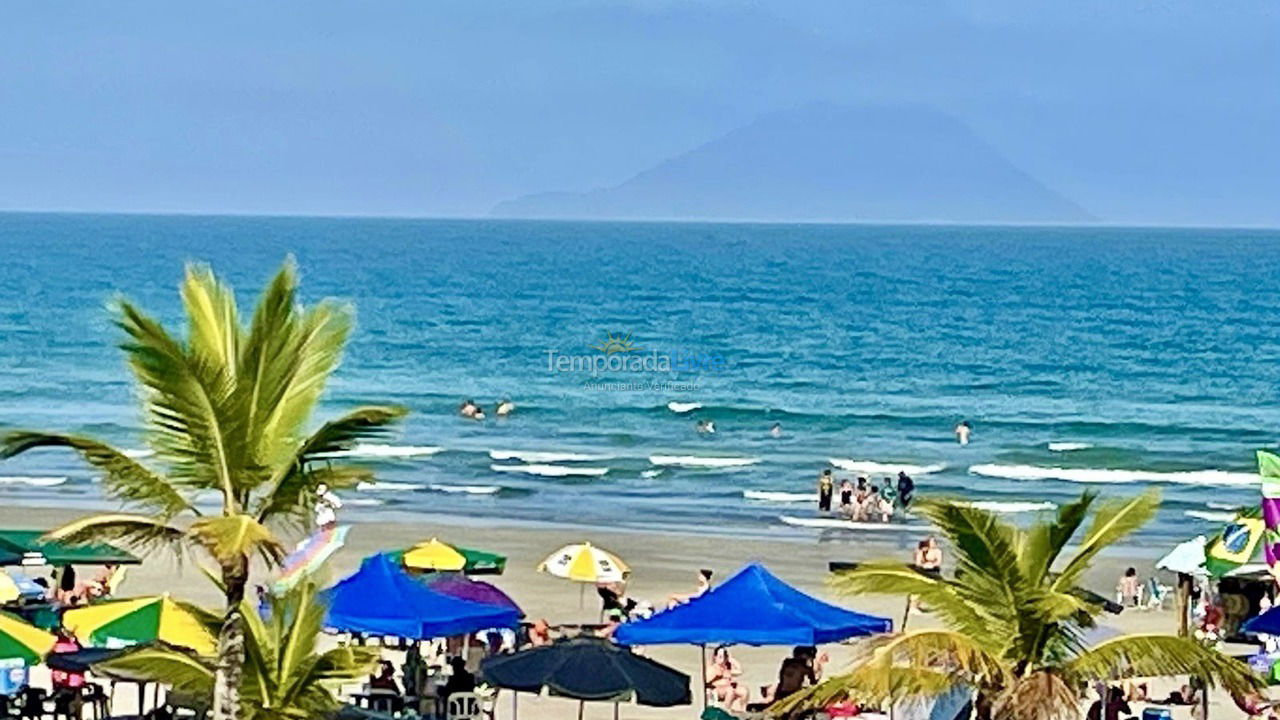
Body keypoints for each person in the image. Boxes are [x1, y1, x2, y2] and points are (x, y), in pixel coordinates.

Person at [706, 646, 749, 712]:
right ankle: (727, 710)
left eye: (724, 657)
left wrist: (731, 659)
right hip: (717, 689)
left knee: (744, 690)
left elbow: (740, 671)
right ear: (715, 657)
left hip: (729, 687)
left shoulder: (726, 668)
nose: (722, 659)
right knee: (730, 690)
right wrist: (720, 678)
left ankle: (742, 709)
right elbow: (707, 683)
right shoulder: (712, 669)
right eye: (720, 657)